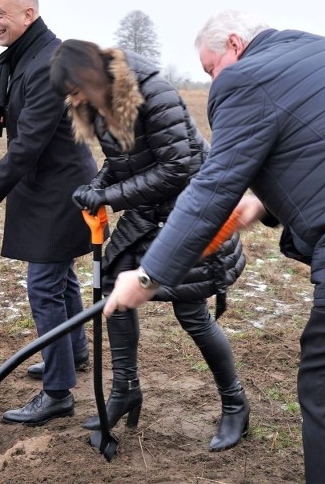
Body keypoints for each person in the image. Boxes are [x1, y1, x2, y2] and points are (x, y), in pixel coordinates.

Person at [104, 11, 325, 483]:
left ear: (236, 45)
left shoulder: (244, 78)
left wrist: (148, 275)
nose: (213, 80)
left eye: (210, 68)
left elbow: (212, 187)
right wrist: (264, 199)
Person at [49, 39, 249, 451]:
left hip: (192, 208)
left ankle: (235, 405)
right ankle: (125, 390)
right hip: (149, 211)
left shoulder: (152, 92)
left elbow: (178, 167)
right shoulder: (99, 105)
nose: (74, 100)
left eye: (75, 90)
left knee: (190, 308)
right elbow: (122, 162)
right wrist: (98, 185)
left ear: (91, 76)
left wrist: (109, 198)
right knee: (112, 289)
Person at [0, 0, 97, 426]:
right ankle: (71, 353)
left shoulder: (49, 63)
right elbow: (12, 104)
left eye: (1, 13)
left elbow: (28, 145)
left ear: (28, 13)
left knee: (44, 285)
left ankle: (57, 392)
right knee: (60, 280)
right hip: (48, 185)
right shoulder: (26, 55)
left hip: (58, 189)